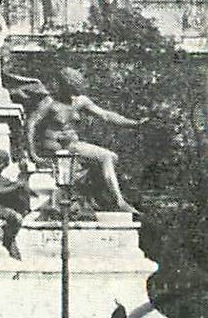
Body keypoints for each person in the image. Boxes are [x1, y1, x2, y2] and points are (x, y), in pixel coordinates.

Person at [26, 68, 146, 211]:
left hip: (73, 145)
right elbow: (31, 125)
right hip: (55, 147)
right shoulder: (49, 102)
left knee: (112, 157)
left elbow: (106, 115)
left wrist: (134, 123)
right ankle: (119, 201)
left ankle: (102, 198)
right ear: (63, 86)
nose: (72, 95)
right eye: (69, 90)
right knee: (106, 156)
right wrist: (33, 154)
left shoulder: (81, 101)